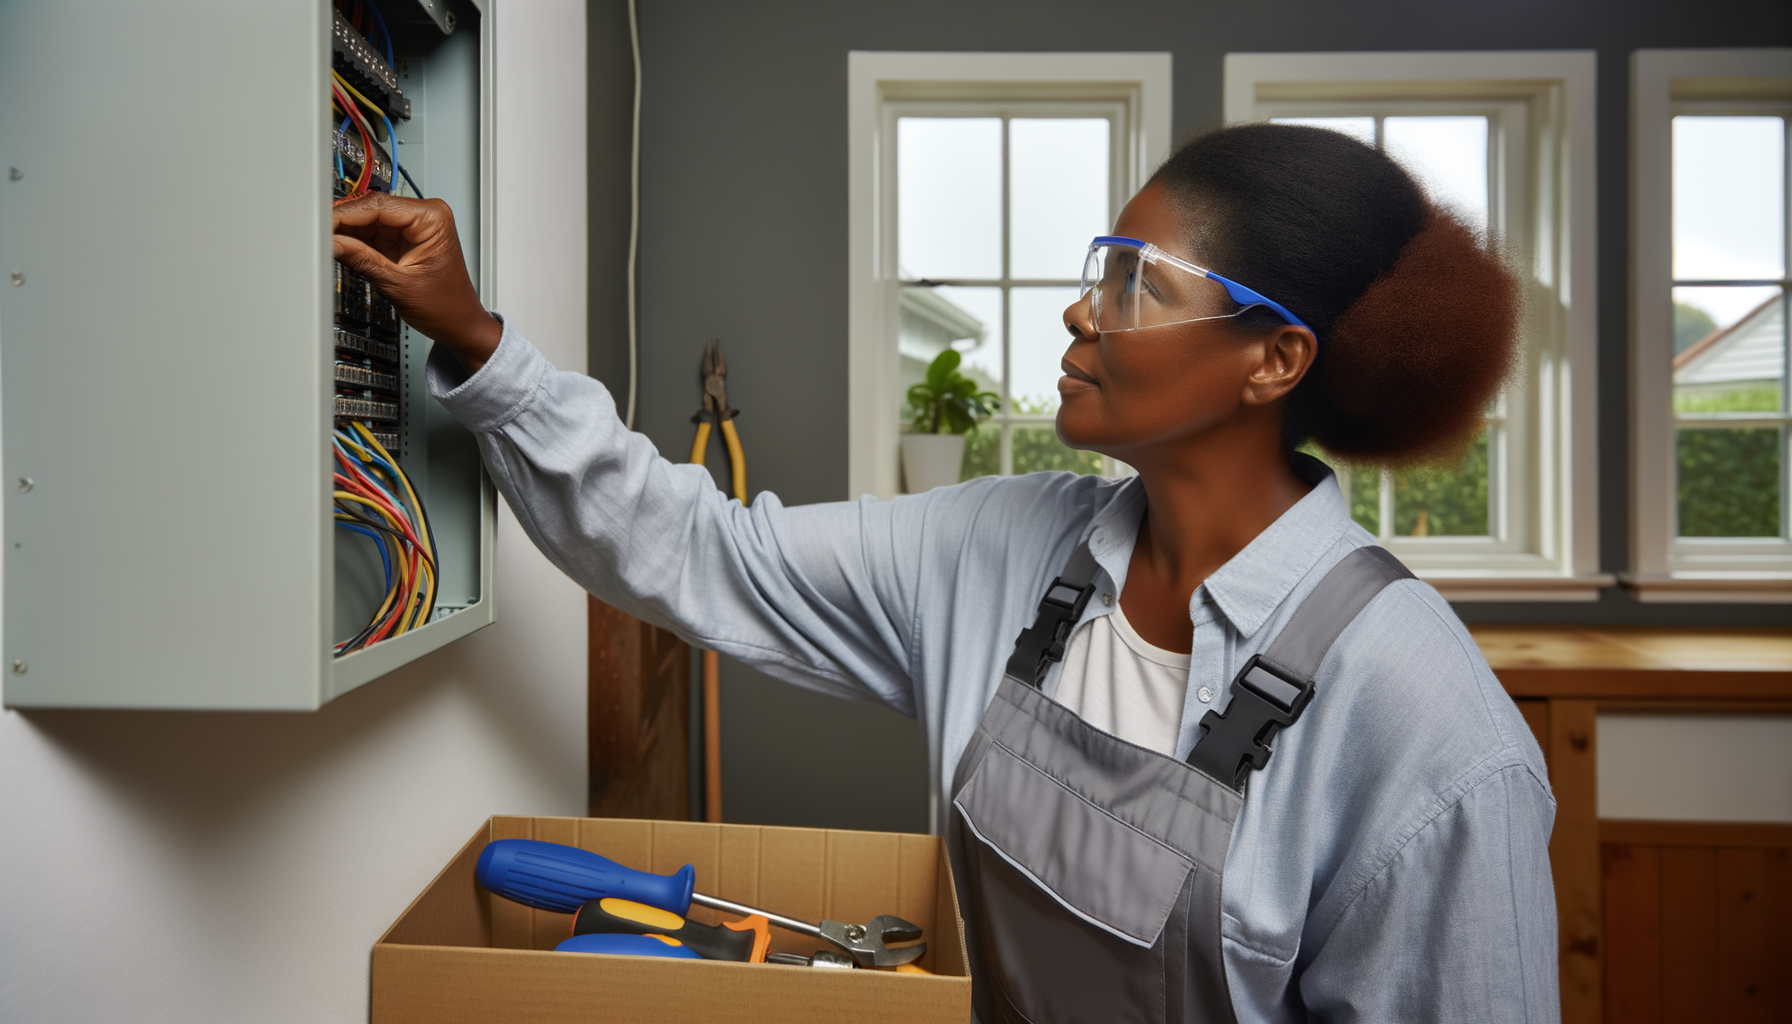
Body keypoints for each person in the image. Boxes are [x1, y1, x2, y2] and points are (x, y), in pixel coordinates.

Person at [335, 123, 1557, 1023]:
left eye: (1136, 282)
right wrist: (477, 341)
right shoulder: (1002, 547)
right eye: (1099, 266)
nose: (1082, 312)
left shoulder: (1426, 724)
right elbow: (702, 549)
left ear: (1272, 360)